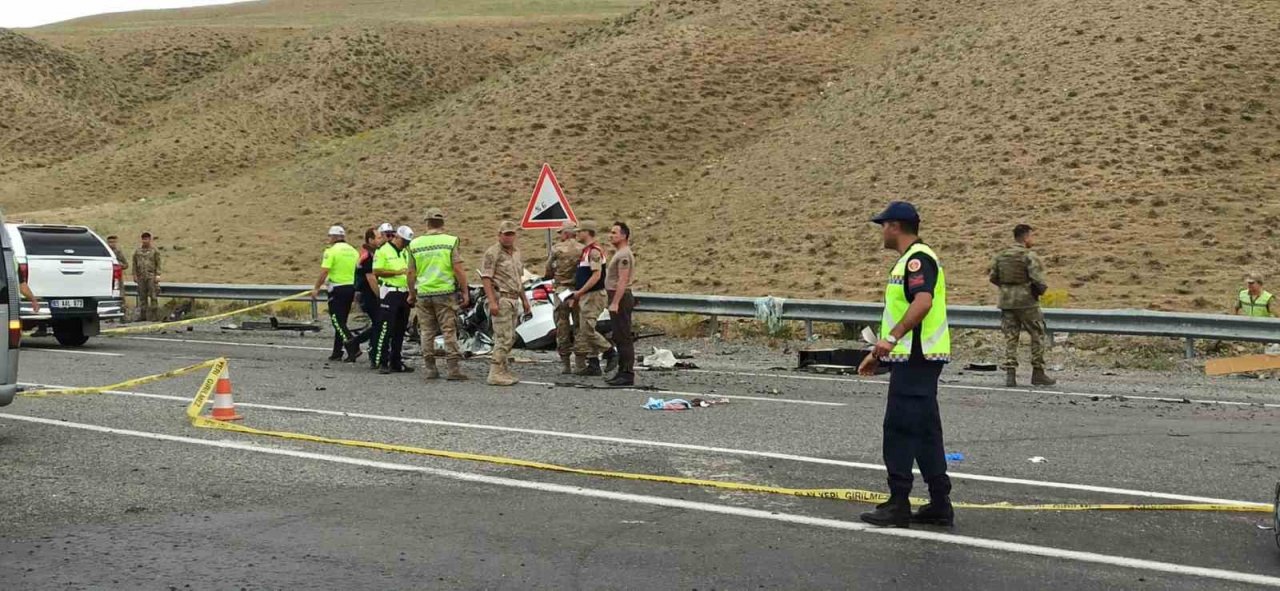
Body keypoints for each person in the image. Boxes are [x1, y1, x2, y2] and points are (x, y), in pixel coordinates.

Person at [857, 201, 953, 528]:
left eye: (883, 225)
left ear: (895, 226)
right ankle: (940, 502)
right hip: (920, 356)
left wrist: (891, 339)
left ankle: (898, 503)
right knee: (925, 431)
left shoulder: (917, 259)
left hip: (916, 356)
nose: (881, 231)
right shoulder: (911, 259)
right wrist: (879, 353)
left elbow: (922, 302)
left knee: (898, 429)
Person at [406, 208, 471, 381]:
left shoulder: (414, 244)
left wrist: (411, 294)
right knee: (449, 330)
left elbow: (411, 273)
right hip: (445, 293)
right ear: (442, 223)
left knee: (426, 331)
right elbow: (458, 268)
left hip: (424, 293)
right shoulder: (450, 241)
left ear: (426, 222)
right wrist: (465, 291)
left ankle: (430, 369)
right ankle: (453, 369)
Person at [988, 224, 1055, 387]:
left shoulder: (1001, 255)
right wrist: (1039, 291)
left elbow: (993, 277)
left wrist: (1007, 288)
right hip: (1026, 302)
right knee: (1037, 334)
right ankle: (1038, 372)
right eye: (1031, 236)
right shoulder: (1029, 256)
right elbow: (1038, 279)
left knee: (1011, 337)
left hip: (1006, 301)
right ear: (1025, 237)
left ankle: (1010, 374)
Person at [480, 221, 531, 386]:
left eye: (511, 234)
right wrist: (492, 302)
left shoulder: (516, 253)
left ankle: (503, 368)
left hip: (514, 298)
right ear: (499, 234)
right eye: (506, 234)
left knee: (511, 337)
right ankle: (495, 372)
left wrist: (525, 300)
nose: (509, 237)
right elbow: (486, 278)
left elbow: (518, 279)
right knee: (503, 337)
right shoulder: (493, 253)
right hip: (501, 298)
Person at [567, 220, 615, 376]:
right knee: (588, 328)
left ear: (587, 232)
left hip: (593, 295)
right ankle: (593, 362)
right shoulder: (586, 252)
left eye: (580, 231)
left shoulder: (594, 252)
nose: (577, 234)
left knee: (587, 329)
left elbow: (596, 275)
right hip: (587, 295)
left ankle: (610, 352)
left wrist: (580, 292)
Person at [312, 225, 360, 362]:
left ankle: (353, 347)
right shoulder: (353, 251)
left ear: (333, 237)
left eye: (329, 236)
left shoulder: (331, 251)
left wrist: (316, 287)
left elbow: (325, 271)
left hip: (337, 289)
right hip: (350, 288)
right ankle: (337, 351)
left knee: (337, 322)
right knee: (342, 321)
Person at [345, 224, 392, 362]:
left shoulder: (376, 254)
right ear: (370, 240)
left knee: (379, 324)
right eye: (378, 237)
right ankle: (372, 353)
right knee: (379, 324)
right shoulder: (367, 258)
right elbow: (371, 279)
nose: (382, 239)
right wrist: (380, 297)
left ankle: (356, 343)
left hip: (373, 294)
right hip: (369, 296)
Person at [371, 225, 414, 374]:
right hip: (389, 292)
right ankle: (383, 361)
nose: (406, 244)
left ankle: (396, 360)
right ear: (397, 237)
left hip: (404, 293)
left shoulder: (406, 252)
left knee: (400, 329)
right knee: (386, 328)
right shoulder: (383, 251)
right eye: (404, 241)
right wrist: (396, 272)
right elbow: (377, 271)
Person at [544, 221, 583, 374]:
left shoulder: (557, 249)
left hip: (561, 291)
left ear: (566, 233)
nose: (559, 236)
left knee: (562, 327)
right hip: (579, 291)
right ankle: (580, 362)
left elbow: (548, 270)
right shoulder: (582, 249)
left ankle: (565, 363)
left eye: (561, 233)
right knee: (580, 327)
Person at [603, 221, 636, 386]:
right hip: (616, 296)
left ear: (624, 235)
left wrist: (615, 302)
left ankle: (627, 373)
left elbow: (622, 280)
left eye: (614, 233)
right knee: (618, 335)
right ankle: (622, 371)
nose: (611, 235)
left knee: (623, 336)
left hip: (620, 297)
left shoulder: (623, 255)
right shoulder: (619, 253)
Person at [132, 232, 161, 322]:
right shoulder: (137, 251)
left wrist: (158, 275)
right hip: (141, 276)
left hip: (151, 276)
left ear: (150, 240)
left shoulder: (154, 251)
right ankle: (143, 315)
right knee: (142, 297)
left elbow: (158, 263)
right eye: (144, 239)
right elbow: (134, 264)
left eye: (147, 239)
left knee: (153, 296)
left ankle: (154, 316)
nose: (145, 241)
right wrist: (134, 275)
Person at [106, 235, 129, 321]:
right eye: (110, 242)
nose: (111, 244)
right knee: (109, 297)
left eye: (113, 242)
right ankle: (109, 317)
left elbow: (126, 264)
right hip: (108, 278)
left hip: (117, 278)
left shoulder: (118, 252)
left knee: (121, 296)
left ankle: (123, 316)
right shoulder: (105, 252)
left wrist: (118, 264)